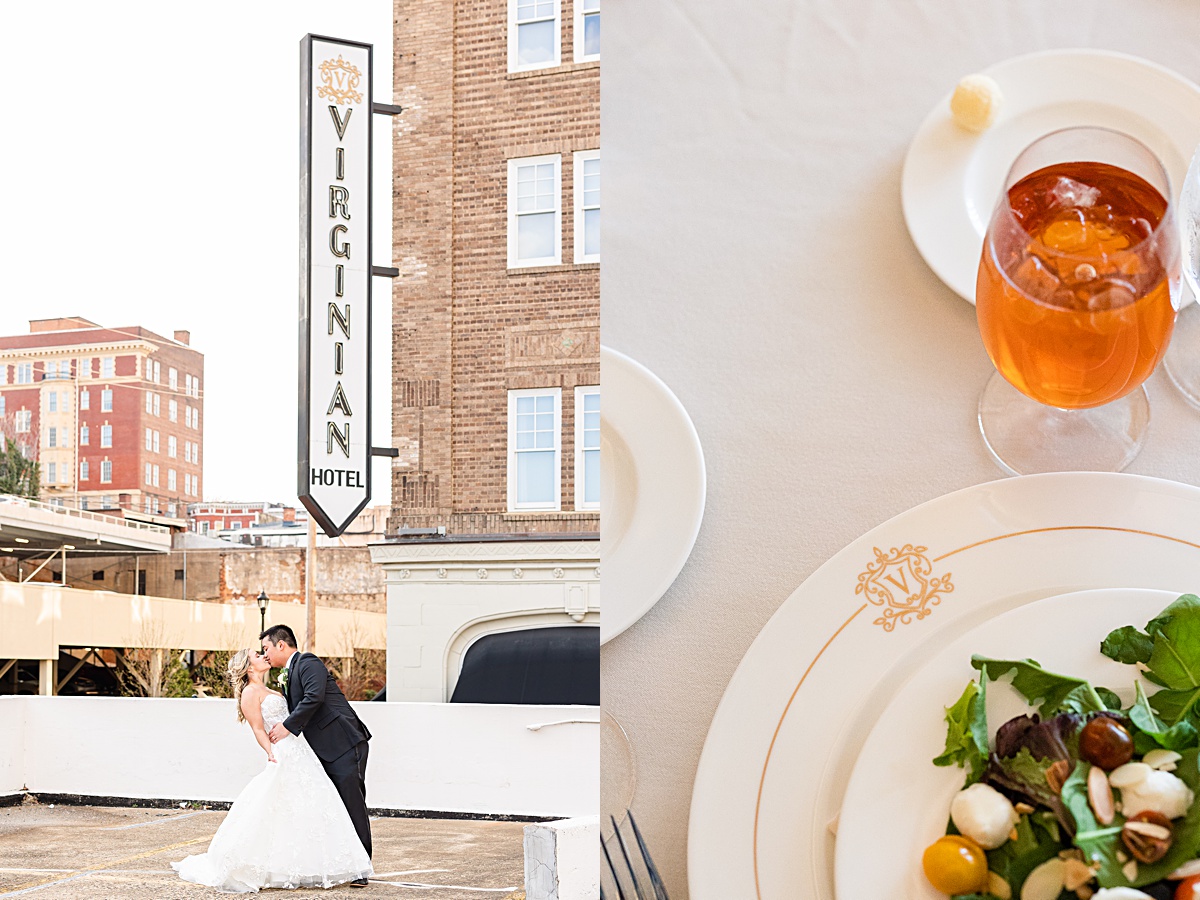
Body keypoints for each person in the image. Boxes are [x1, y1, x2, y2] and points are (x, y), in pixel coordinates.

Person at [172, 648, 372, 892]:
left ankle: (310, 862)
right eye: (258, 655)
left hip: (302, 751)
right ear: (248, 667)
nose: (263, 656)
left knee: (311, 804)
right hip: (282, 752)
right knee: (279, 805)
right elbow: (257, 728)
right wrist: (270, 752)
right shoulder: (250, 692)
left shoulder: (274, 689)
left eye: (263, 651)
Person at [259, 624, 373, 876]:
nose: (265, 654)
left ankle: (362, 868)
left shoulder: (308, 662)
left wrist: (287, 726)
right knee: (334, 808)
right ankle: (346, 863)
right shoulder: (288, 673)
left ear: (281, 645)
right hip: (323, 751)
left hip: (343, 744)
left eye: (266, 648)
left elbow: (314, 697)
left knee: (351, 803)